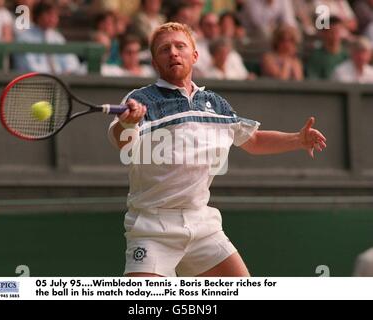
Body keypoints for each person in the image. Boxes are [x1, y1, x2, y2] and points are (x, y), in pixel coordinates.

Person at [108, 22, 327, 277]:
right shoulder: (141, 99)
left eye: (180, 46)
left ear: (195, 55)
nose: (174, 53)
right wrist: (127, 122)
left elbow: (253, 141)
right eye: (164, 49)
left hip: (202, 224)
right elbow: (122, 142)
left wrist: (297, 140)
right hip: (153, 227)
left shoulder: (215, 103)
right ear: (156, 62)